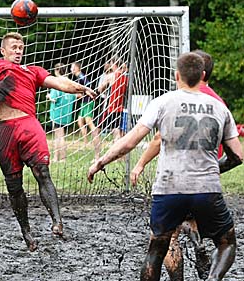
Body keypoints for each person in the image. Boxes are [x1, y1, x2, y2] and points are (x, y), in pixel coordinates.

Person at [88, 52, 243, 281]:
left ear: (176, 75)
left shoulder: (162, 102)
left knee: (156, 252)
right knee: (226, 242)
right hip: (206, 189)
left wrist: (101, 161)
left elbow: (130, 141)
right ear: (202, 75)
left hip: (168, 189)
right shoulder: (219, 108)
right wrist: (211, 168)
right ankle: (212, 278)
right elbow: (238, 156)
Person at [0, 22, 96, 251]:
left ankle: (57, 221)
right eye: (14, 47)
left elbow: (59, 82)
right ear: (3, 50)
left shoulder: (32, 71)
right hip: (5, 130)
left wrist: (81, 88)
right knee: (15, 187)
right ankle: (26, 232)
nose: (18, 50)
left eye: (21, 47)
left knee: (42, 171)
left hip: (28, 125)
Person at [129, 49, 226, 280]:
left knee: (168, 238)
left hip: (179, 178)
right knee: (195, 217)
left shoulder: (181, 99)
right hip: (208, 179)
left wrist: (139, 164)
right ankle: (197, 238)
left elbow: (158, 137)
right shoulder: (219, 102)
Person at [47, 63, 76, 162]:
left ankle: (58, 158)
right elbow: (74, 96)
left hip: (57, 113)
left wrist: (49, 97)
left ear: (57, 71)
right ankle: (61, 158)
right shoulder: (70, 82)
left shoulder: (57, 82)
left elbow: (54, 99)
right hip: (67, 113)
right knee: (61, 136)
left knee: (58, 137)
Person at [71, 61, 101, 160]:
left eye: (72, 67)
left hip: (88, 102)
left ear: (77, 68)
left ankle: (96, 134)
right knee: (79, 121)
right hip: (84, 102)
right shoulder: (78, 77)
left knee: (89, 122)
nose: (71, 69)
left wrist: (80, 95)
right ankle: (85, 142)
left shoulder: (81, 77)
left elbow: (89, 87)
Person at [97, 57, 128, 142]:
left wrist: (104, 88)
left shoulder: (111, 76)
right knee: (116, 130)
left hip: (109, 107)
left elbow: (100, 89)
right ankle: (118, 152)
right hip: (119, 107)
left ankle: (97, 155)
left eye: (111, 64)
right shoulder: (125, 78)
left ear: (114, 65)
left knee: (96, 131)